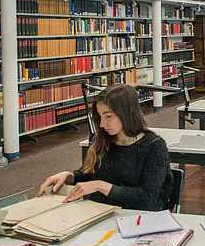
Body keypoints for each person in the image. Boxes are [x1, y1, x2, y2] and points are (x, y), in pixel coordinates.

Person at [38, 84, 173, 211]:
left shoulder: (154, 147)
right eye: (100, 117)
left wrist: (100, 186)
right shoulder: (104, 141)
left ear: (127, 113)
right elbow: (91, 177)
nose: (102, 124)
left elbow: (147, 199)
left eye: (108, 116)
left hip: (137, 220)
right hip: (101, 213)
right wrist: (69, 176)